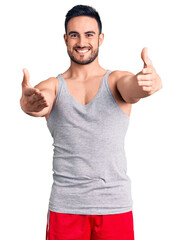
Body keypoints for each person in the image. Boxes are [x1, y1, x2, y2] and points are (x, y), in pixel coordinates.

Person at [20, 4, 162, 240]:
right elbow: (38, 101)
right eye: (74, 34)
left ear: (100, 38)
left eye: (89, 34)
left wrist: (146, 83)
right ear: (65, 39)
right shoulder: (53, 86)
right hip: (66, 208)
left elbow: (132, 87)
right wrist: (27, 104)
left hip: (114, 206)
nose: (81, 42)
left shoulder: (116, 80)